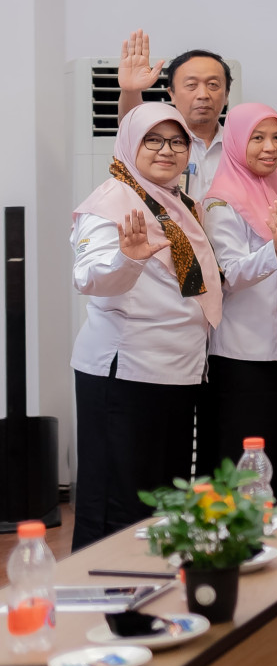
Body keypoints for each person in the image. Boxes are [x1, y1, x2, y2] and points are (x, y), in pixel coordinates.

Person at [69, 104, 223, 548]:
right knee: (119, 501)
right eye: (152, 140)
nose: (166, 150)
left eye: (177, 141)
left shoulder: (176, 201)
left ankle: (154, 594)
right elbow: (89, 277)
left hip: (177, 369)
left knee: (163, 498)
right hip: (126, 370)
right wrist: (127, 259)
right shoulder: (110, 201)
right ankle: (106, 600)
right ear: (130, 146)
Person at [199, 103, 277, 480]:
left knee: (271, 462)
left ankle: (270, 538)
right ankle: (236, 539)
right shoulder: (220, 201)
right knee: (242, 465)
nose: (270, 147)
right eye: (257, 138)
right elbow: (229, 274)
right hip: (240, 354)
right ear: (235, 141)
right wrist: (276, 249)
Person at [114, 32, 233, 196]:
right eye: (191, 85)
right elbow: (131, 129)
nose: (203, 94)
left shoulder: (240, 146)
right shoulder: (157, 144)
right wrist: (131, 91)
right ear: (171, 93)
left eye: (213, 84)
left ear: (226, 95)